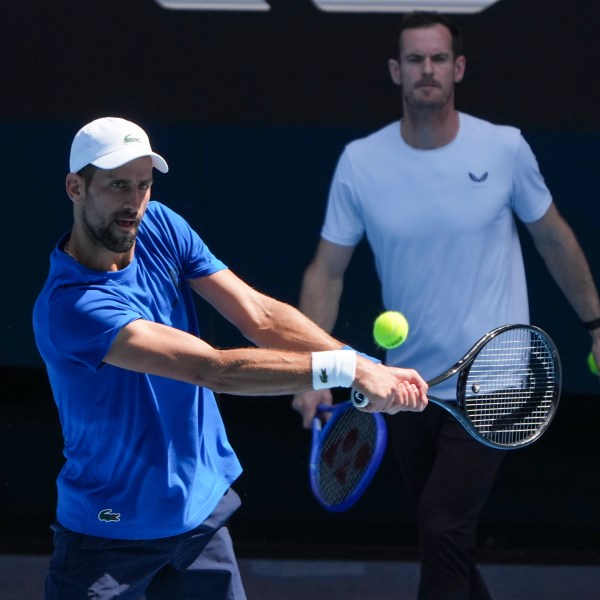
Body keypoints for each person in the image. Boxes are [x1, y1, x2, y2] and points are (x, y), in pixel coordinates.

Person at [32, 116, 429, 600]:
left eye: (143, 185)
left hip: (200, 523)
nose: (134, 203)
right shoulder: (72, 307)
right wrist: (349, 370)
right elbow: (212, 369)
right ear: (76, 187)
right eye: (117, 186)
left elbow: (259, 316)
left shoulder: (160, 226)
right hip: (108, 539)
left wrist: (362, 362)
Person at [292, 11, 600, 600]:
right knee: (444, 538)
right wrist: (313, 367)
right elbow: (326, 271)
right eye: (414, 60)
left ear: (457, 68)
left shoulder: (505, 149)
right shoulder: (361, 162)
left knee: (441, 522)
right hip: (408, 385)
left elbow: (554, 238)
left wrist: (596, 322)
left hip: (499, 379)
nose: (426, 70)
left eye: (438, 59)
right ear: (395, 71)